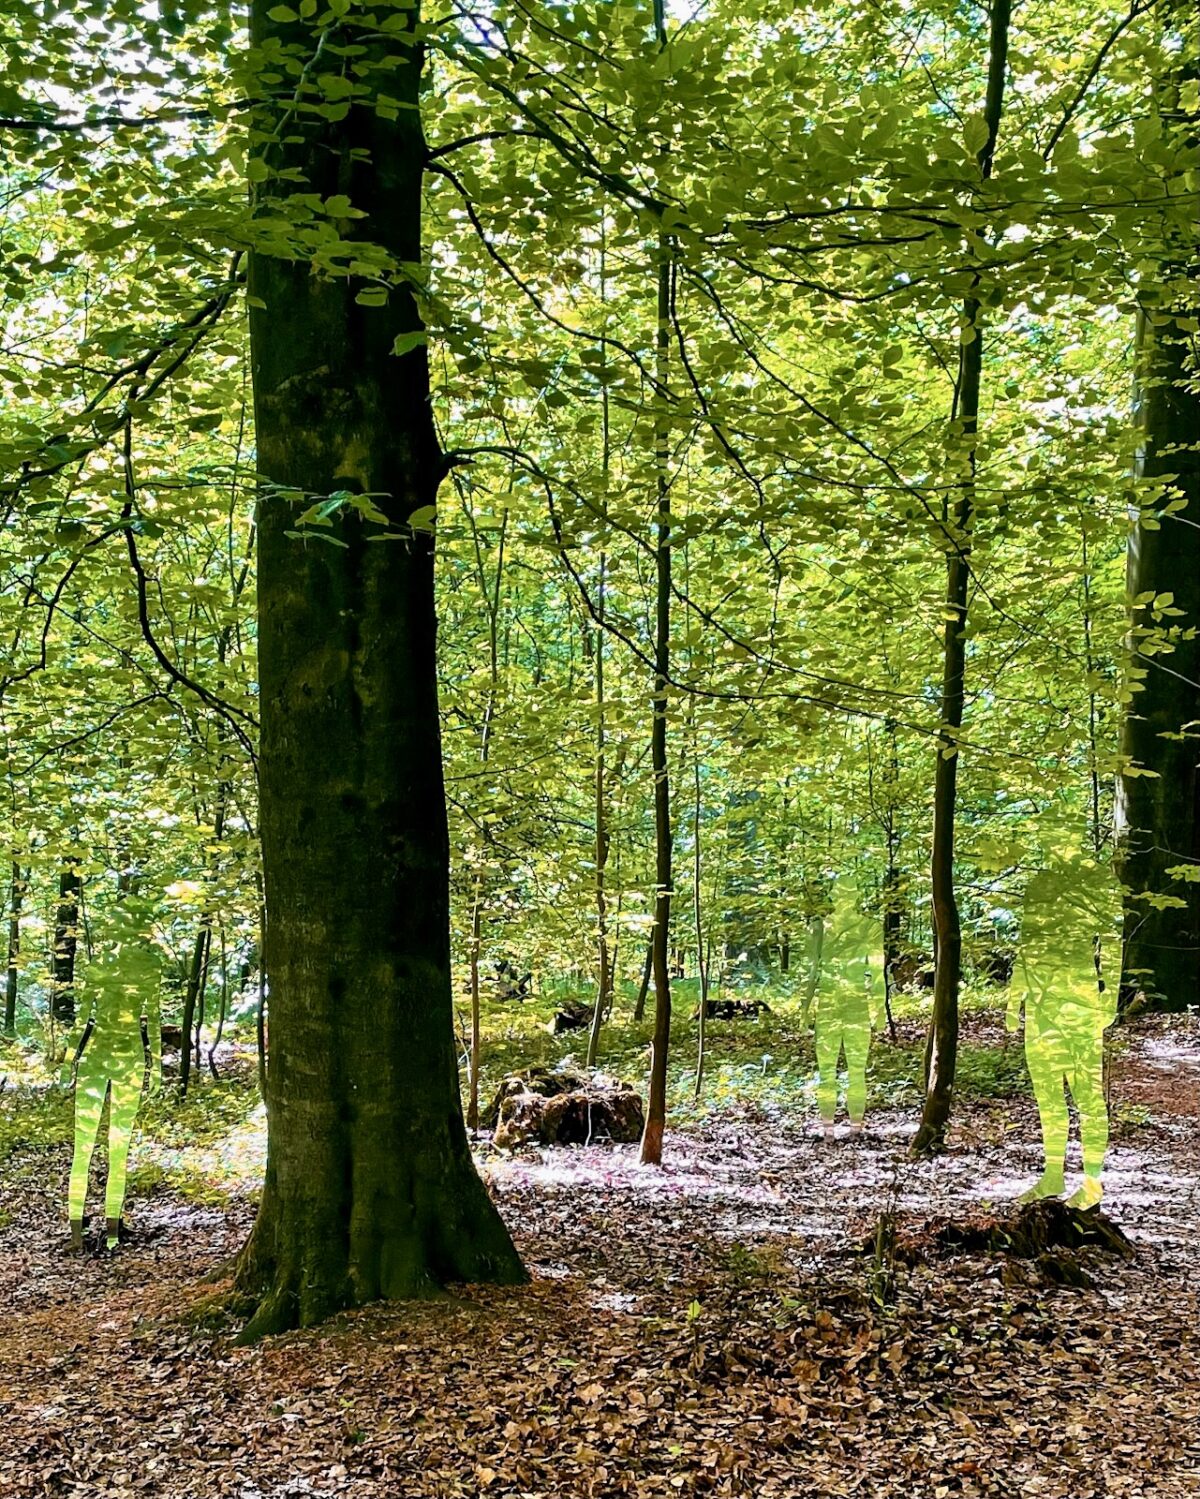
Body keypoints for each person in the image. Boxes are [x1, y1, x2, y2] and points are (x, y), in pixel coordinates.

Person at [1007, 848, 1123, 1208]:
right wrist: (1015, 999)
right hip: (1041, 1005)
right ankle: (1053, 1174)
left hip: (1080, 1001)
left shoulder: (1097, 881)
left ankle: (1092, 1182)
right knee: (1048, 1094)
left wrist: (1110, 996)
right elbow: (1027, 945)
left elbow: (1113, 941)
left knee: (1086, 1095)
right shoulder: (1039, 883)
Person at [61, 895, 162, 1251]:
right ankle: (80, 1234)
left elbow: (154, 1021)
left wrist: (156, 1065)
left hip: (125, 1061)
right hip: (101, 1060)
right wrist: (69, 1061)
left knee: (116, 1147)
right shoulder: (101, 967)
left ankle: (113, 1233)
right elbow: (83, 1022)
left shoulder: (147, 969)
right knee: (87, 1147)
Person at [803, 876, 884, 1139]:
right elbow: (812, 971)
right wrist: (804, 1008)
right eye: (842, 893)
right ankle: (829, 1129)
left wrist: (879, 1008)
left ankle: (854, 1128)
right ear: (835, 896)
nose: (845, 898)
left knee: (855, 1069)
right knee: (828, 1070)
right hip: (831, 1005)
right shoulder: (819, 928)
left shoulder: (870, 928)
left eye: (849, 893)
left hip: (855, 1006)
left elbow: (877, 972)